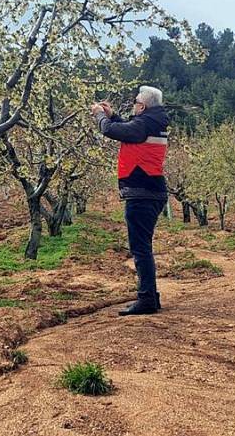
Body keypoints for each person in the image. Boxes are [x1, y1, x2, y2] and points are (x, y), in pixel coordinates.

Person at [92, 86, 170, 316]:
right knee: (142, 247)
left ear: (143, 106)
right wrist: (113, 116)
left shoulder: (145, 124)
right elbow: (126, 128)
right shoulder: (152, 122)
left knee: (140, 248)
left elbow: (114, 131)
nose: (133, 105)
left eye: (135, 102)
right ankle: (150, 297)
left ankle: (146, 299)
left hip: (142, 193)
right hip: (149, 191)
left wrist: (99, 116)